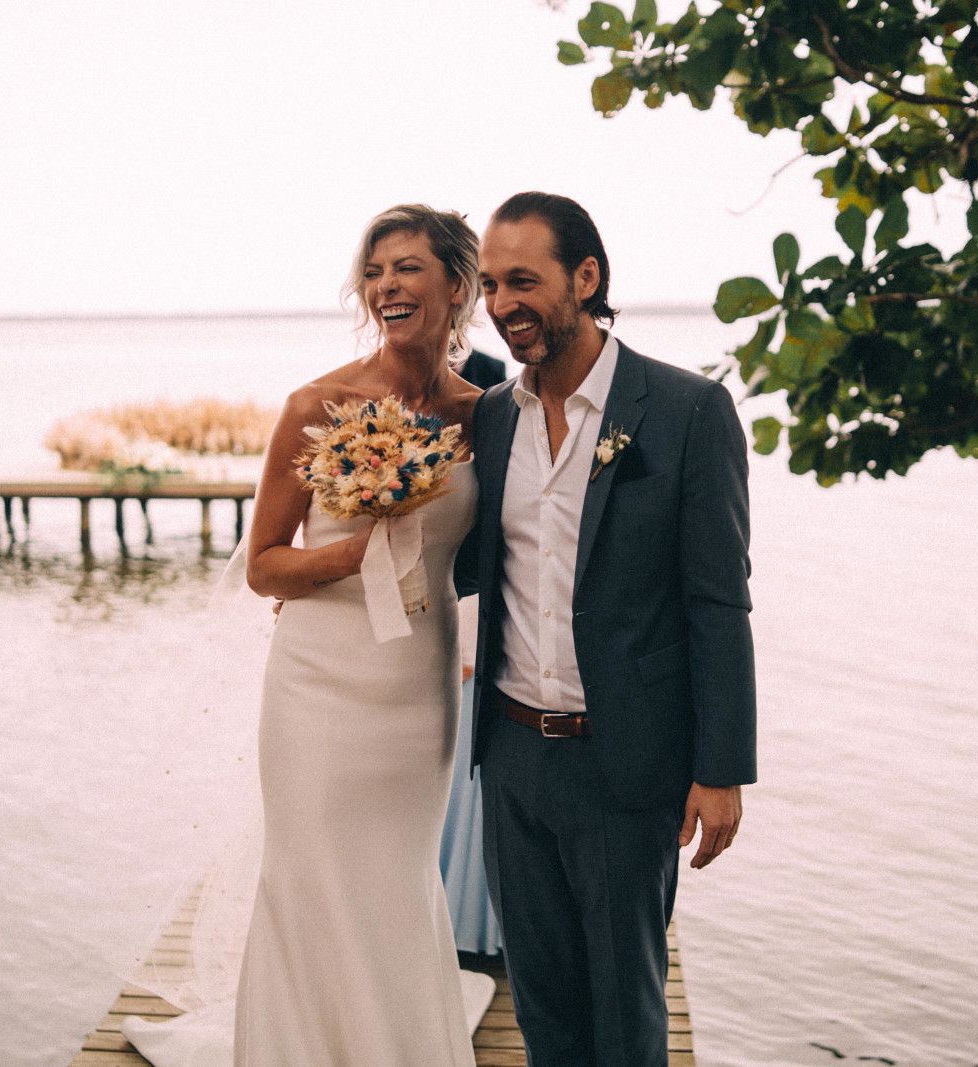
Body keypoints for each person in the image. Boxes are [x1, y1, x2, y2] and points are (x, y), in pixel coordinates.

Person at [122, 204, 491, 1066]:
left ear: (457, 285)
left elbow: (497, 554)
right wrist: (359, 551)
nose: (388, 286)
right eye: (375, 271)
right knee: (311, 879)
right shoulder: (316, 404)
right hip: (317, 685)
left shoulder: (487, 414)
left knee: (399, 879)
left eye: (408, 268)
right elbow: (264, 566)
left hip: (416, 688)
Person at [461, 191, 757, 1067]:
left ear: (586, 278)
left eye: (524, 279)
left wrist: (721, 768)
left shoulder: (686, 411)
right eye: (490, 284)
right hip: (511, 758)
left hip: (624, 764)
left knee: (626, 1011)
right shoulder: (490, 416)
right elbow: (472, 562)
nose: (504, 302)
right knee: (544, 1001)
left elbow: (718, 602)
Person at [440, 348, 508, 958]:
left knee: (476, 783)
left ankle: (479, 924)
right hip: (453, 613)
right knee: (461, 783)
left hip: (480, 616)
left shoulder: (490, 384)